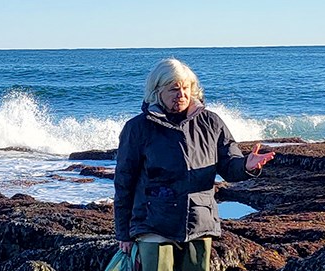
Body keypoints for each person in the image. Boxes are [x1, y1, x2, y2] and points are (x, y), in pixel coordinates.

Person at [113, 58, 275, 271]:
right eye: (174, 89)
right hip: (153, 225)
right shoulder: (137, 128)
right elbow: (124, 181)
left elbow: (229, 166)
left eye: (186, 88)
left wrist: (246, 165)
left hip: (199, 221)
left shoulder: (211, 122)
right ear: (156, 91)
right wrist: (124, 233)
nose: (181, 95)